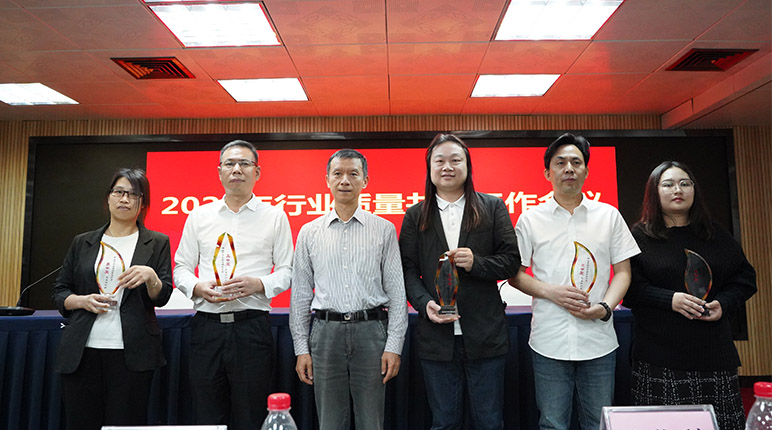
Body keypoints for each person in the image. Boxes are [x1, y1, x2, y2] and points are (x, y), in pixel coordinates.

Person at [511, 133, 640, 430]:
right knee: (552, 424)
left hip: (598, 339)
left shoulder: (608, 215)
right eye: (560, 163)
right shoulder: (530, 219)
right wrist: (551, 292)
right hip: (549, 340)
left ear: (586, 171)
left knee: (598, 423)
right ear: (548, 173)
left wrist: (605, 307)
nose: (569, 168)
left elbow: (623, 272)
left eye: (576, 162)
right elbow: (515, 274)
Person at [623, 161, 756, 430]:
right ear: (654, 192)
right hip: (660, 358)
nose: (678, 190)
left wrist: (723, 304)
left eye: (685, 183)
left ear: (694, 190)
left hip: (714, 355)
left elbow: (745, 279)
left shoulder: (714, 233)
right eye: (668, 184)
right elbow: (630, 290)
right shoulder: (640, 236)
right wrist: (670, 300)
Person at [399, 133, 519, 430]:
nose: (447, 167)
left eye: (455, 160)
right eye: (439, 161)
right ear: (430, 168)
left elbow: (511, 261)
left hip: (485, 334)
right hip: (436, 338)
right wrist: (424, 303)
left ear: (467, 166)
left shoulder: (492, 207)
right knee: (444, 422)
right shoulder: (416, 215)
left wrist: (477, 263)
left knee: (490, 422)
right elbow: (407, 270)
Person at [174, 140, 293, 429]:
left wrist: (259, 284)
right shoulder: (199, 216)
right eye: (229, 164)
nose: (236, 169)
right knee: (206, 415)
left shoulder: (274, 216)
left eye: (244, 164)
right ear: (219, 172)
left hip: (251, 328)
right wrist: (198, 288)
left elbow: (288, 271)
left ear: (257, 172)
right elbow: (181, 269)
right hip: (207, 328)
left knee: (251, 415)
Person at [290, 148, 408, 430]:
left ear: (365, 181)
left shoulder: (383, 229)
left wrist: (394, 346)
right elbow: (300, 296)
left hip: (371, 333)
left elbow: (397, 293)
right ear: (327, 180)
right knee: (330, 422)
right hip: (325, 334)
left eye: (353, 174)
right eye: (338, 174)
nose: (345, 180)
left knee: (371, 421)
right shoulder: (309, 232)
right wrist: (301, 349)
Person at [52, 168, 173, 430]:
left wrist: (151, 277)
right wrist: (82, 301)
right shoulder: (83, 242)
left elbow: (162, 296)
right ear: (108, 198)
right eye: (119, 192)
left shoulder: (157, 242)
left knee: (125, 424)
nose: (125, 199)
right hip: (82, 350)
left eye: (134, 194)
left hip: (132, 351)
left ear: (143, 203)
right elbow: (60, 292)